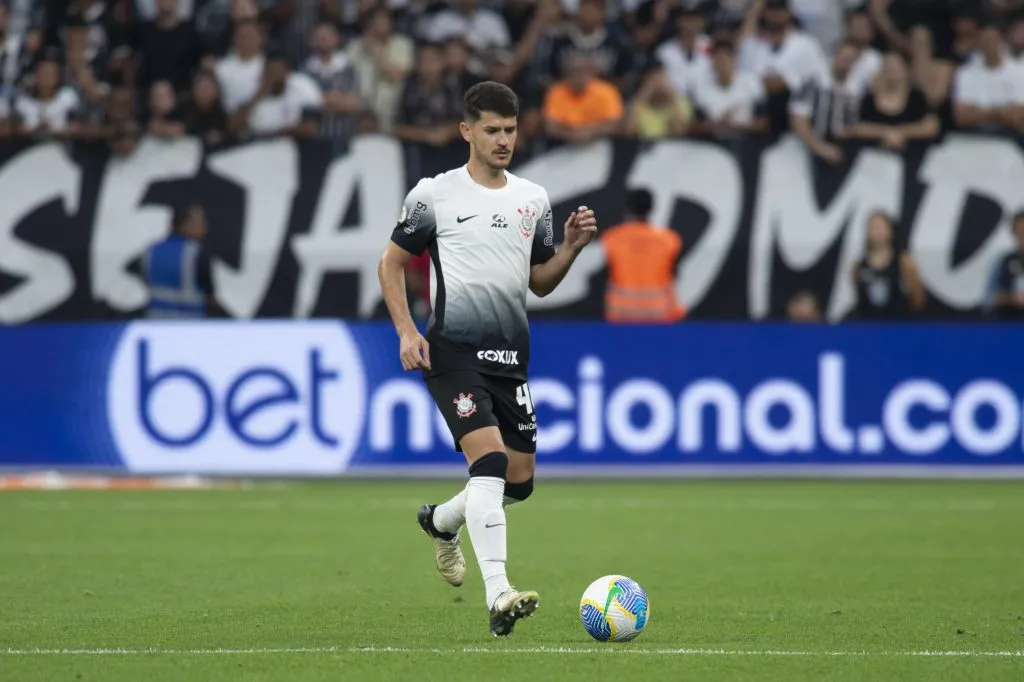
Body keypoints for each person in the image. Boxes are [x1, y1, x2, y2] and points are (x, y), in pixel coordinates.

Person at [376, 81, 598, 637]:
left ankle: (442, 522)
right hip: (451, 353)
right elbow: (391, 262)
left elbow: (539, 283)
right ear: (466, 131)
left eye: (511, 130)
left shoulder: (533, 199)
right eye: (493, 130)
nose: (504, 140)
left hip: (510, 360)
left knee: (517, 482)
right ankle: (498, 593)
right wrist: (406, 331)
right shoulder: (435, 194)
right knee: (491, 464)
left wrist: (569, 248)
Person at [600, 188, 685, 323]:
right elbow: (674, 275)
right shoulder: (670, 239)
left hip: (621, 312)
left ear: (628, 207)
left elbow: (605, 274)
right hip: (659, 312)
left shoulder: (611, 238)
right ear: (651, 207)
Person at [143, 203, 213, 319]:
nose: (205, 228)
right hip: (189, 322)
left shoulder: (150, 251)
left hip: (155, 321)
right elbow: (209, 293)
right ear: (185, 224)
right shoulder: (196, 253)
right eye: (201, 223)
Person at [851, 211, 926, 321]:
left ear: (890, 231)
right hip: (869, 326)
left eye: (880, 227)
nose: (876, 232)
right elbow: (859, 295)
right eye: (873, 227)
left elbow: (917, 296)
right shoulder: (859, 266)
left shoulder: (903, 261)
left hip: (896, 325)